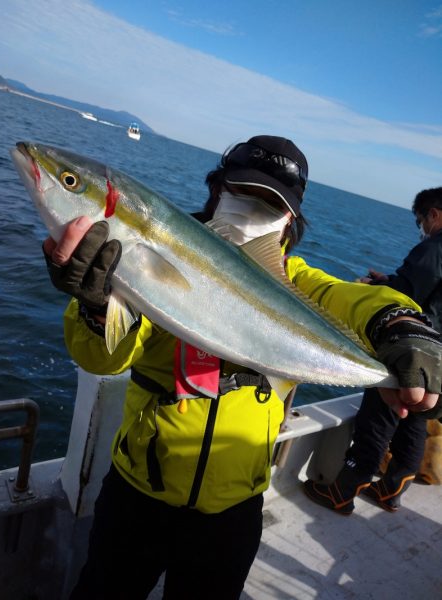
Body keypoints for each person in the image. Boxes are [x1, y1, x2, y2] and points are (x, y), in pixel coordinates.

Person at [42, 136, 442, 599]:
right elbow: (100, 358)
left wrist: (399, 322)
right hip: (138, 493)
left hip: (234, 510)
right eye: (242, 192)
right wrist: (95, 307)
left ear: (289, 220)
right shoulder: (148, 254)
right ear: (217, 189)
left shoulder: (297, 284)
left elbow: (353, 299)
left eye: (269, 203)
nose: (252, 209)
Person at [304, 187, 442, 515]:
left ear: (434, 215)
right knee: (415, 415)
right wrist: (389, 280)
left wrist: (372, 287)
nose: (421, 228)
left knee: (378, 412)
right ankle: (393, 487)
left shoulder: (435, 247)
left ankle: (344, 489)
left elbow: (406, 293)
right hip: (436, 355)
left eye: (421, 221)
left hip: (409, 344)